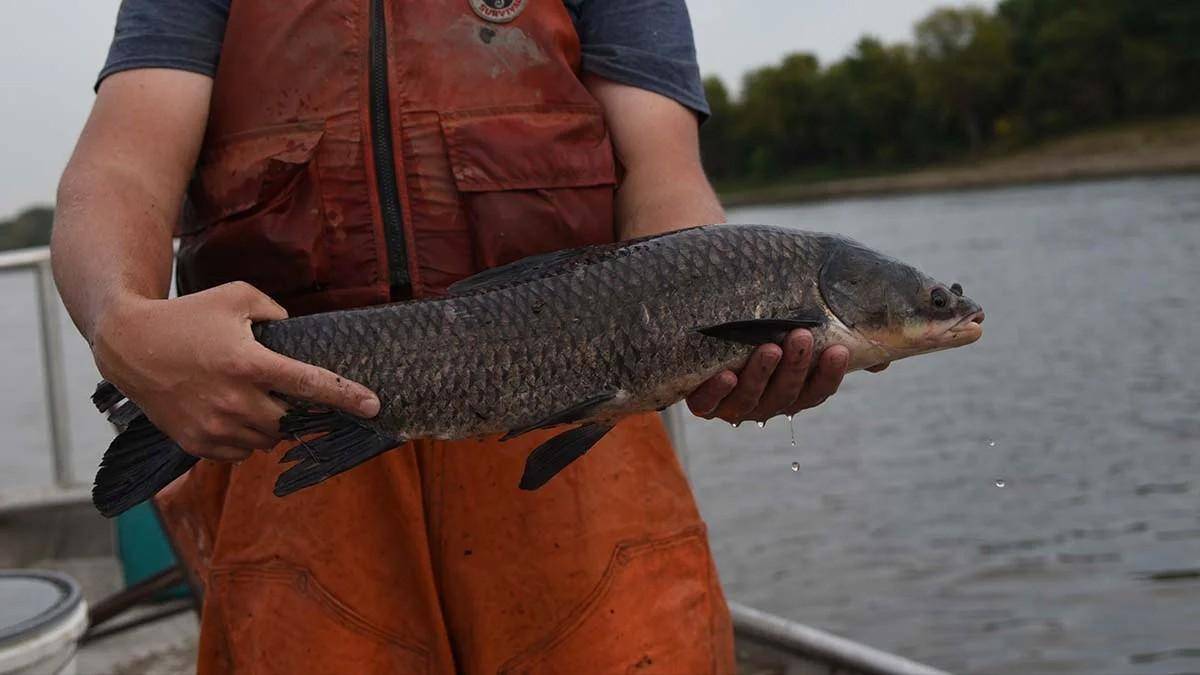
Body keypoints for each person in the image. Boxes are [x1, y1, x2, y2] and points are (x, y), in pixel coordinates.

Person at [52, 1, 858, 672]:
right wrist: (121, 320)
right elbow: (120, 168)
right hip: (291, 464)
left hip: (577, 449)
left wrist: (722, 334)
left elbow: (667, 176)